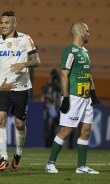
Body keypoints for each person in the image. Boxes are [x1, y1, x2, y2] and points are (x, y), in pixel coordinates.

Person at [0, 11, 41, 171]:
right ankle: (3, 157)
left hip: (21, 89)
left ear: (14, 24)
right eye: (1, 22)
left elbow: (37, 60)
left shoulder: (25, 39)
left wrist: (24, 64)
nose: (3, 25)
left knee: (20, 124)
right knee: (0, 120)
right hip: (3, 88)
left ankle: (18, 152)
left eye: (6, 23)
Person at [45, 22, 100, 174]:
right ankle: (50, 163)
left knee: (86, 130)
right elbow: (64, 73)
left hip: (86, 97)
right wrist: (66, 97)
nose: (89, 33)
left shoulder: (85, 51)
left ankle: (81, 166)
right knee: (67, 130)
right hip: (74, 97)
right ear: (80, 31)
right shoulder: (70, 51)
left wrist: (93, 92)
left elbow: (87, 74)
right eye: (87, 31)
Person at [41, 69, 61, 147]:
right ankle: (48, 142)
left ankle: (52, 142)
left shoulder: (59, 84)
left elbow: (60, 90)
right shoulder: (49, 84)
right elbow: (43, 90)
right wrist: (50, 83)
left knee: (53, 126)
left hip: (56, 107)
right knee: (49, 126)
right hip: (50, 107)